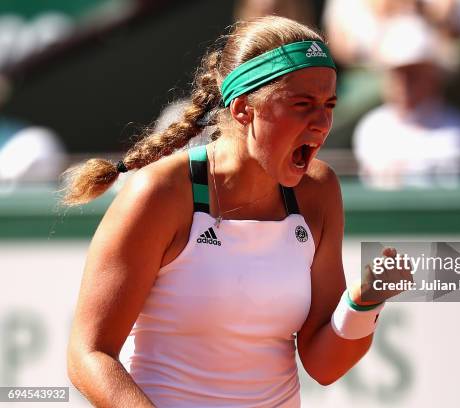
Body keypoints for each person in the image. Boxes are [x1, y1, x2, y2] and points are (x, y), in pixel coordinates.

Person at [64, 16, 411, 407]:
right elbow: (88, 355)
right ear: (244, 108)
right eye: (302, 105)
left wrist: (362, 304)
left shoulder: (319, 191)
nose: (322, 122)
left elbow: (324, 365)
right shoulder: (159, 193)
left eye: (329, 105)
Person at [353, 16, 460, 189]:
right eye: (397, 73)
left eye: (413, 73)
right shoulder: (371, 129)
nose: (404, 83)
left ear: (434, 76)